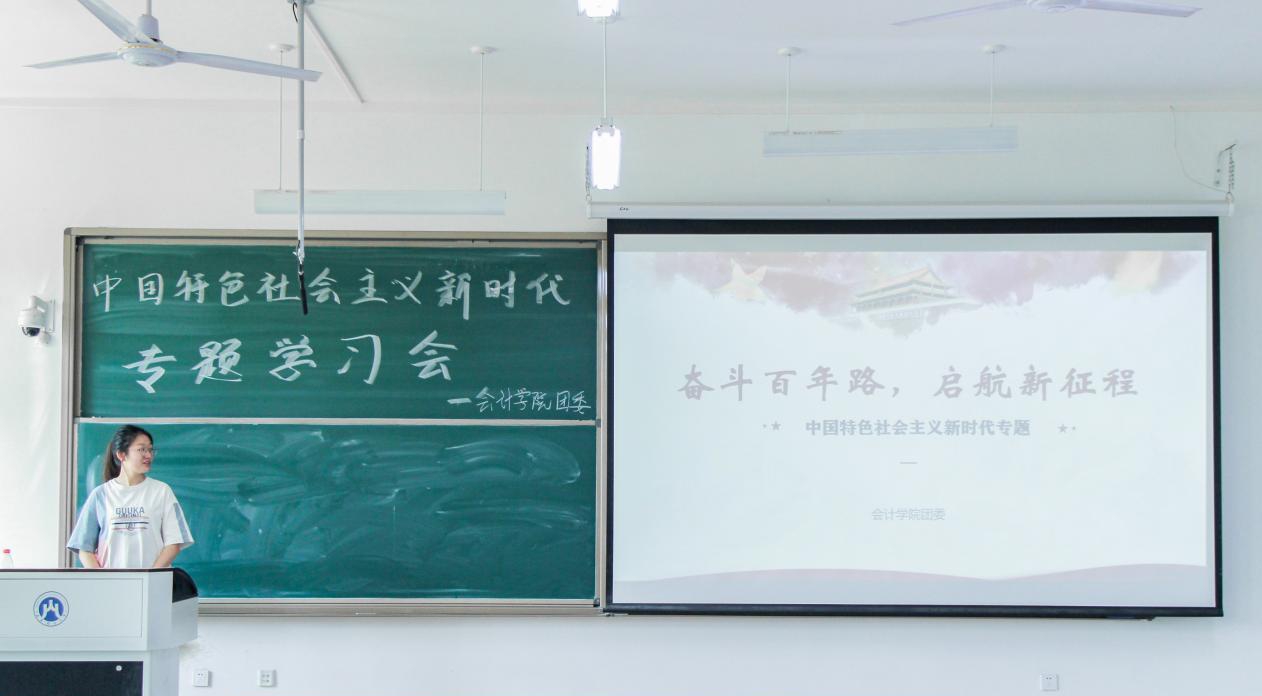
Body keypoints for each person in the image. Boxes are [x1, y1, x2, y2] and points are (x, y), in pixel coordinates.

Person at [67, 425, 194, 569]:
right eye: (142, 449)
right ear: (121, 455)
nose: (148, 455)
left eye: (150, 450)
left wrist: (149, 576)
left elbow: (174, 543)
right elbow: (84, 548)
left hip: (153, 580)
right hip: (112, 581)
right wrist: (101, 578)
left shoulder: (161, 491)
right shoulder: (101, 494)